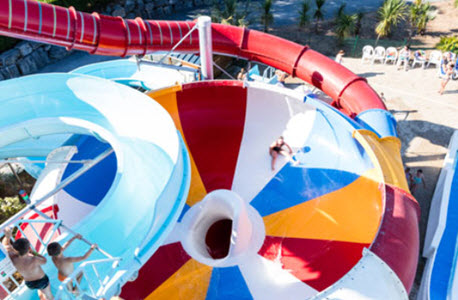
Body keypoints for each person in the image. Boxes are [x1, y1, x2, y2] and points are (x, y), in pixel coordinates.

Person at [2, 228, 53, 300]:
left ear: (14, 249)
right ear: (28, 249)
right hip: (41, 281)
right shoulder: (34, 259)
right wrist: (34, 253)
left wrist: (8, 236)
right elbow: (44, 261)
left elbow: (5, 244)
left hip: (29, 283)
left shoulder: (13, 258)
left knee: (40, 290)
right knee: (49, 295)